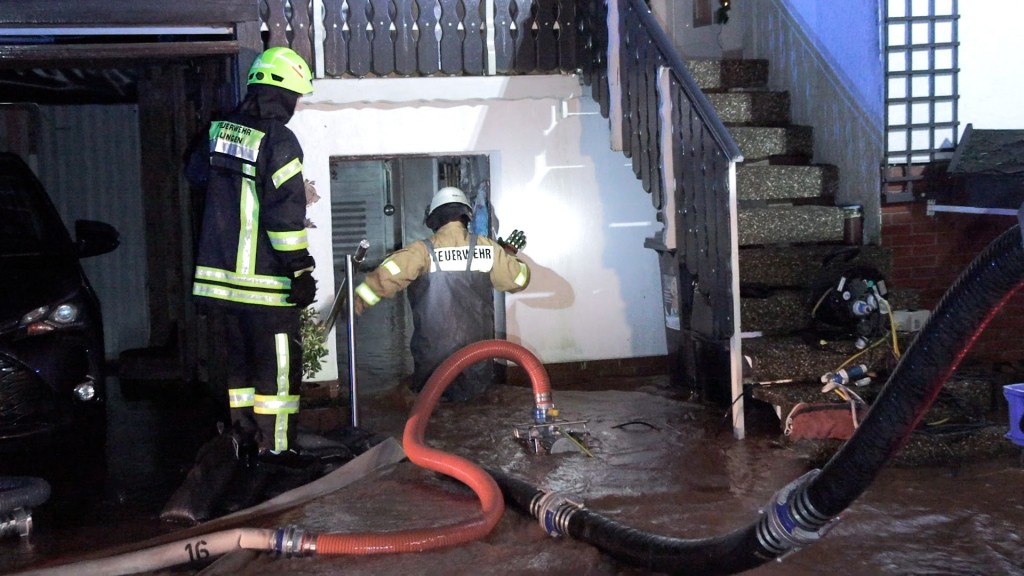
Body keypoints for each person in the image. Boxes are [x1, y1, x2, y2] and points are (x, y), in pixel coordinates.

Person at [189, 47, 317, 468]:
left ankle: (242, 439)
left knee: (240, 368)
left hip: (221, 287)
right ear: (281, 95)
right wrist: (299, 270)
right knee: (277, 373)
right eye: (295, 98)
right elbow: (285, 215)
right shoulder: (279, 141)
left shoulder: (216, 133)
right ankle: (278, 450)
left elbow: (194, 178)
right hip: (265, 286)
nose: (295, 107)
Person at [353, 186, 530, 401]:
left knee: (432, 406)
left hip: (433, 356)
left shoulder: (421, 252)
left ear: (434, 218)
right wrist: (509, 254)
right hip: (478, 354)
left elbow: (381, 282)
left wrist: (353, 305)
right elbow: (517, 280)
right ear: (466, 217)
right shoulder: (488, 249)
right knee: (476, 404)